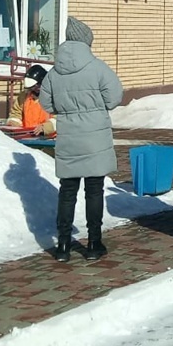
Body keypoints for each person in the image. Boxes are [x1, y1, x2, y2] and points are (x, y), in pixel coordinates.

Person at [39, 16, 123, 262]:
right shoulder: (98, 67)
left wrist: (66, 110)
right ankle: (94, 244)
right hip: (95, 135)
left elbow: (46, 103)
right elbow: (114, 96)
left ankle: (63, 245)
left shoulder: (54, 73)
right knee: (94, 189)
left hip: (68, 135)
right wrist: (97, 107)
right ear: (87, 41)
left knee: (67, 190)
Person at [4, 64, 55, 136]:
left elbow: (62, 118)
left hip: (50, 139)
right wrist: (13, 122)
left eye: (35, 86)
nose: (34, 89)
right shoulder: (24, 96)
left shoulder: (56, 96)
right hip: (28, 136)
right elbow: (16, 112)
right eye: (31, 87)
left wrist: (46, 127)